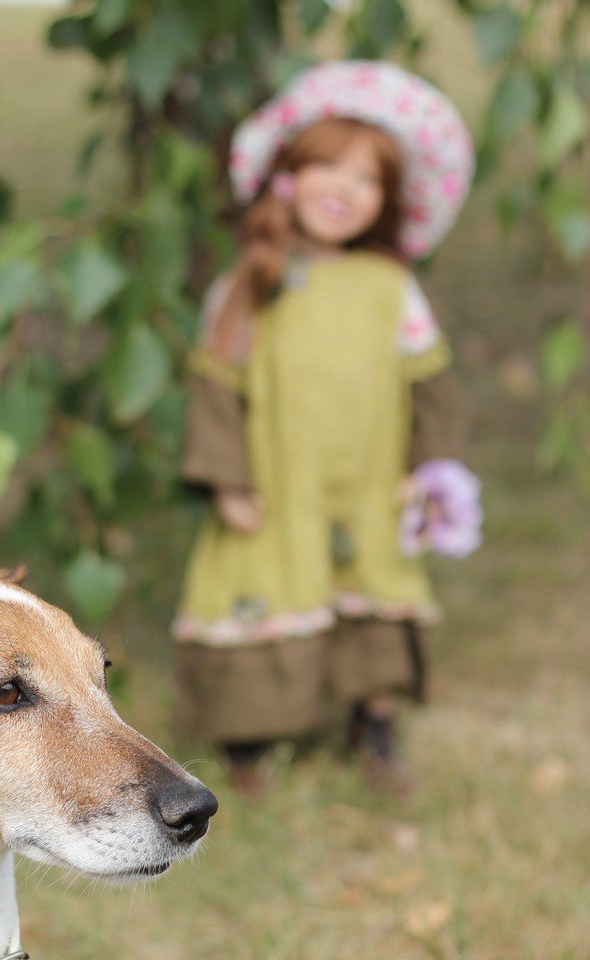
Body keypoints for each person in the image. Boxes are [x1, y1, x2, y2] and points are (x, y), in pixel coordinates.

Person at [173, 61, 482, 794]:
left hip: (370, 480)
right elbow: (217, 389)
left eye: (366, 179)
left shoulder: (390, 287)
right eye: (327, 169)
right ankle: (249, 735)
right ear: (287, 174)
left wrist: (431, 466)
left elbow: (430, 385)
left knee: (372, 578)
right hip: (278, 479)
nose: (344, 190)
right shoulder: (251, 282)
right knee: (263, 579)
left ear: (387, 200)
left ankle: (374, 726)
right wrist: (227, 478)